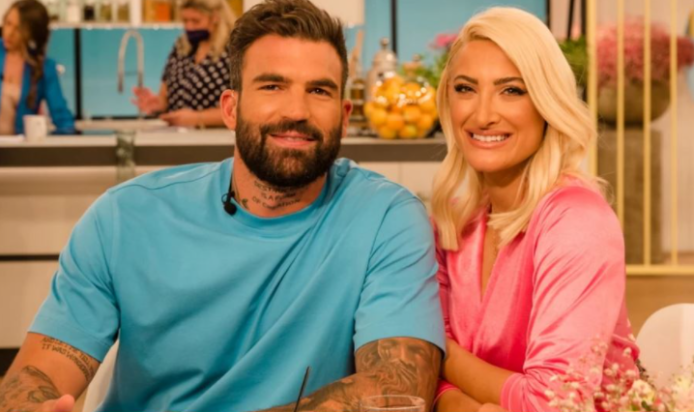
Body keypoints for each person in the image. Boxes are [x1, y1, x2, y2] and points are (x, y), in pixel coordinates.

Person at [0, 1, 444, 412]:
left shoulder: (385, 218)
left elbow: (397, 388)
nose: (297, 110)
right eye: (272, 85)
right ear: (230, 108)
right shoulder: (125, 217)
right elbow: (35, 374)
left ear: (345, 116)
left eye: (319, 90)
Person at [430, 7, 639, 412]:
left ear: (546, 103)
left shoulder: (578, 221)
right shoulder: (452, 222)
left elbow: (553, 403)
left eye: (511, 90)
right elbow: (422, 374)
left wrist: (442, 351)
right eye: (466, 88)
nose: (483, 115)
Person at [131, 0, 235, 128]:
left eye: (195, 21)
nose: (189, 27)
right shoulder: (180, 47)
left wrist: (196, 118)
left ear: (215, 18)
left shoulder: (232, 51)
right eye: (185, 21)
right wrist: (158, 104)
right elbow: (164, 94)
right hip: (177, 135)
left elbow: (241, 108)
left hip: (215, 137)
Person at [0, 0, 75, 135]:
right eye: (8, 23)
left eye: (18, 29)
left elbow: (64, 121)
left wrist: (45, 141)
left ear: (32, 33)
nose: (9, 33)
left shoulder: (44, 68)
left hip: (18, 147)